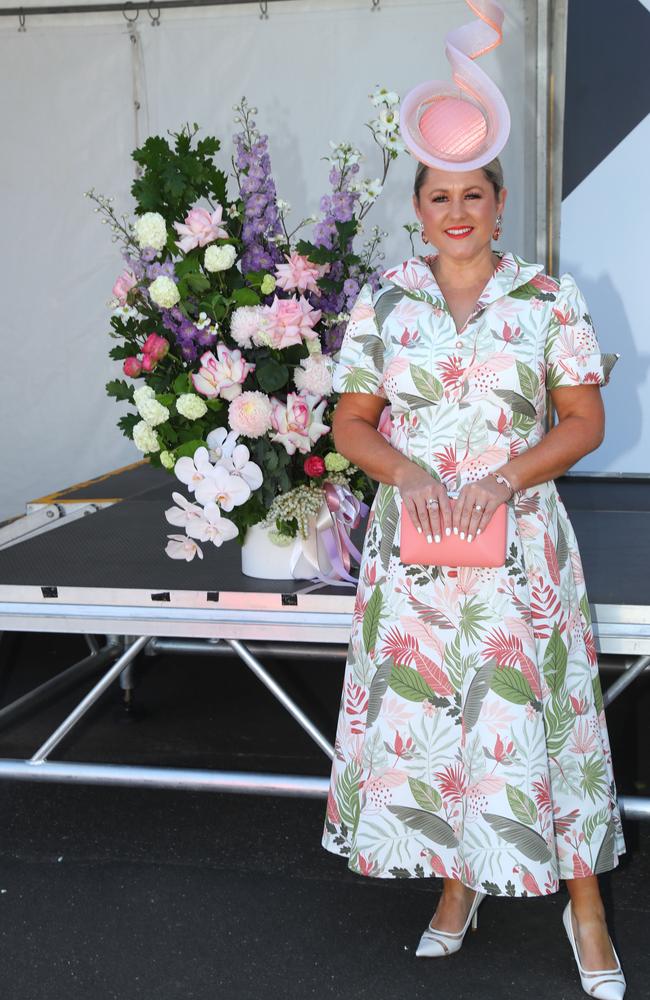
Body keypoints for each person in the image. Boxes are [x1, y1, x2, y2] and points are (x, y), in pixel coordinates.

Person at [320, 4, 626, 999]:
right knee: (439, 722)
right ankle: (456, 887)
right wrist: (406, 472)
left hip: (520, 546)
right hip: (412, 552)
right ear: (418, 205)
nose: (455, 212)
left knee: (544, 724)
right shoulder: (384, 300)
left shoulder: (546, 299)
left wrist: (501, 474)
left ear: (498, 203)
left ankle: (584, 910)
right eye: (437, 196)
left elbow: (579, 421)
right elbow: (350, 422)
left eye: (473, 195)